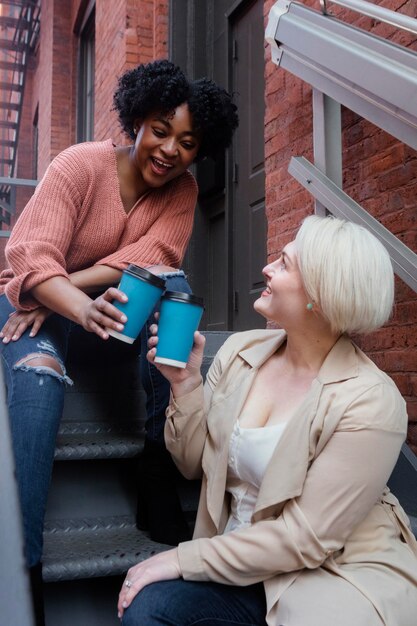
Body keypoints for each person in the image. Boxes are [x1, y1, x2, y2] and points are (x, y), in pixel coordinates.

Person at [0, 59, 238, 625]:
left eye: (187, 142)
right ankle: (23, 569)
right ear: (136, 120)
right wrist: (59, 298)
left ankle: (157, 473)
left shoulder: (181, 192)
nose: (169, 150)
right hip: (38, 317)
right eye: (160, 130)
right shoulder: (79, 165)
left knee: (171, 289)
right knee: (36, 383)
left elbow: (155, 260)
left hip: (94, 314)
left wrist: (63, 285)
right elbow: (27, 258)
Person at [117, 215, 417, 626]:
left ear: (320, 294)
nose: (266, 268)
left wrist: (181, 557)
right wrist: (186, 385)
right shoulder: (241, 352)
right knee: (149, 608)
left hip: (329, 574)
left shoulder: (370, 400)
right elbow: (191, 465)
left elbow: (305, 539)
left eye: (284, 263)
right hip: (237, 562)